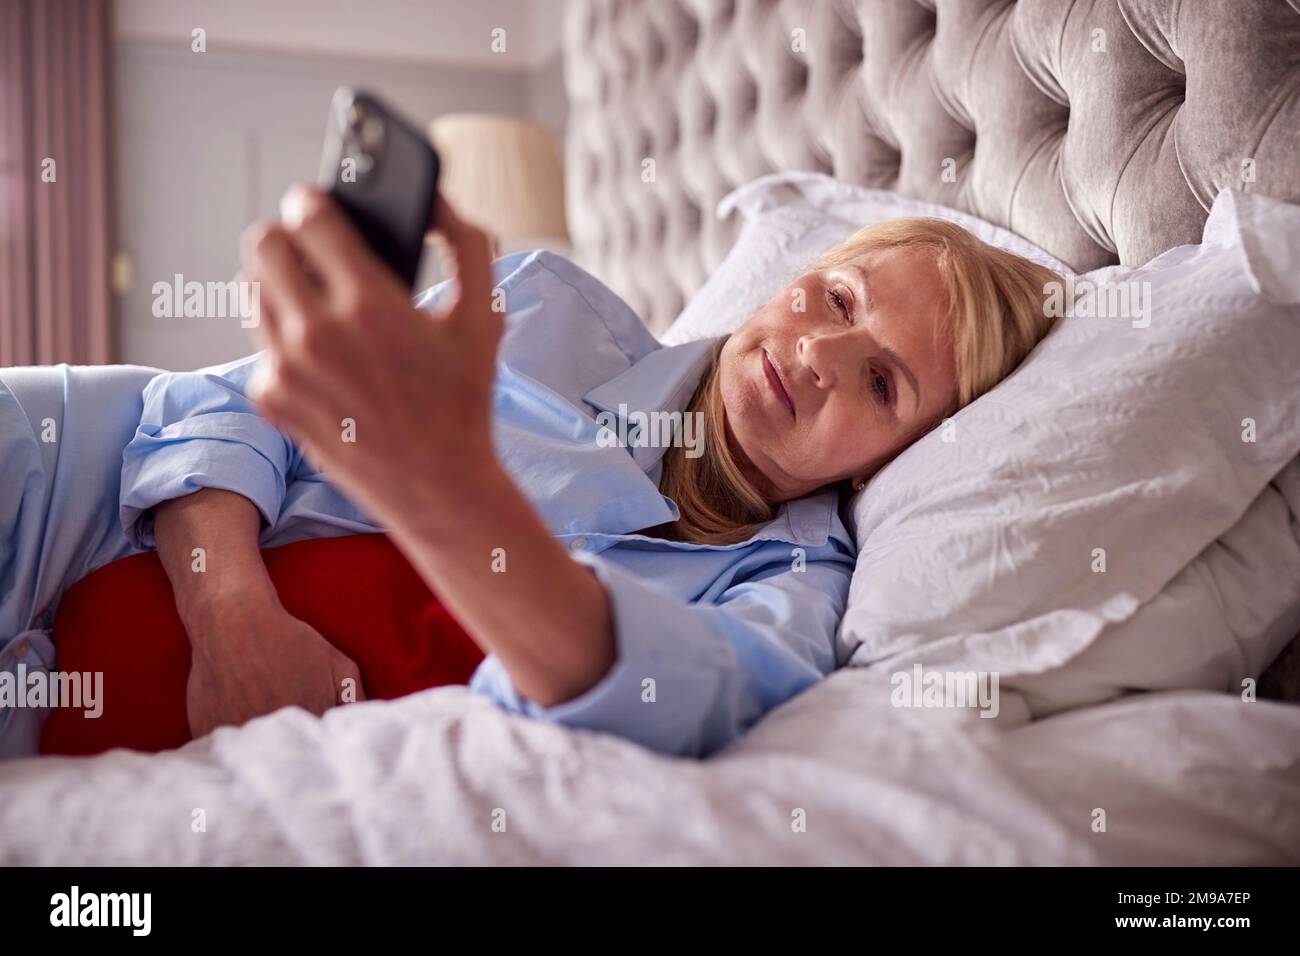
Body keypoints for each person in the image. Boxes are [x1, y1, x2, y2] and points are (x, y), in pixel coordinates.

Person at [0, 186, 1062, 759]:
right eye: (836, 297)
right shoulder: (547, 307)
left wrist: (449, 488)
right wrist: (234, 618)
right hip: (54, 486)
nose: (822, 355)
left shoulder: (789, 590)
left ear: (905, 451)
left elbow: (666, 702)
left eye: (884, 383)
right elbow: (226, 403)